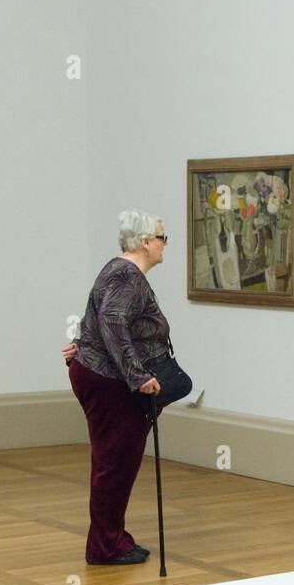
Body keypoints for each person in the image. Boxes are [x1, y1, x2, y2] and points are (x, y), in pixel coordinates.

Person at [61, 210, 173, 565]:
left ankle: (114, 538)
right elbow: (111, 321)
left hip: (102, 375)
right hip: (111, 383)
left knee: (115, 461)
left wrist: (82, 346)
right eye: (162, 238)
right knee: (115, 464)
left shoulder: (118, 271)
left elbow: (98, 319)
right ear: (144, 242)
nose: (164, 245)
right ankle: (105, 547)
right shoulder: (126, 274)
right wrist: (138, 376)